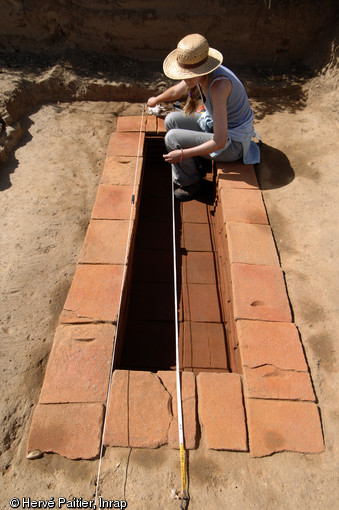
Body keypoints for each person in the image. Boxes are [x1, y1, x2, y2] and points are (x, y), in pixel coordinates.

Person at [147, 33, 260, 201]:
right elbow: (177, 91)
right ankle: (196, 166)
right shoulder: (198, 76)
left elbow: (220, 141)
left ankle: (190, 182)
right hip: (216, 128)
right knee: (171, 120)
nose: (186, 80)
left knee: (172, 139)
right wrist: (156, 99)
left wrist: (183, 153)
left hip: (233, 145)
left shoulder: (219, 86)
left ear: (202, 69)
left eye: (188, 75)